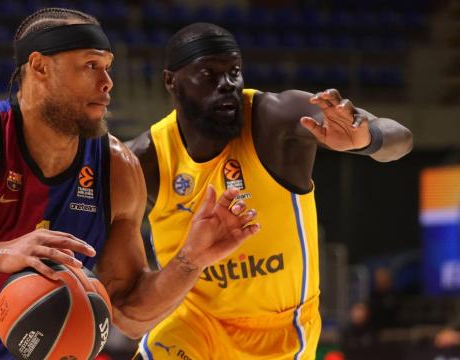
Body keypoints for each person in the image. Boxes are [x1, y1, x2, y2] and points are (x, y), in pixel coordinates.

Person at [0, 10, 259, 359]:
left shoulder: (117, 168)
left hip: (15, 347)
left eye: (108, 68)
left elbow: (130, 314)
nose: (108, 83)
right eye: (91, 66)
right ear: (40, 67)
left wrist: (191, 261)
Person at [126, 22, 413, 359]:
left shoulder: (275, 119)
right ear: (171, 81)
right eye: (209, 74)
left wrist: (366, 139)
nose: (227, 85)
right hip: (195, 323)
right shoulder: (145, 158)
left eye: (234, 72)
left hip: (280, 329)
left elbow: (402, 138)